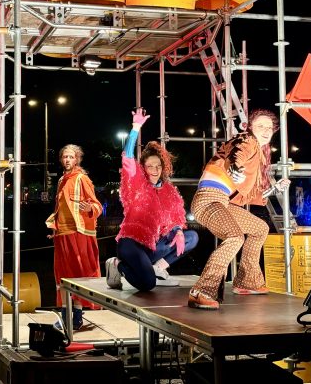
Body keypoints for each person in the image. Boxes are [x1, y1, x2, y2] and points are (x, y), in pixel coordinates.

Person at [187, 109, 289, 310]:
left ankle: (246, 281)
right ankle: (202, 291)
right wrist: (235, 167)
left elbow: (246, 195)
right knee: (235, 237)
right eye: (261, 126)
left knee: (260, 228)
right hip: (208, 199)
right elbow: (237, 152)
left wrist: (273, 189)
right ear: (250, 127)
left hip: (223, 202)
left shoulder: (258, 154)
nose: (266, 131)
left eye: (269, 128)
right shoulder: (246, 140)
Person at [106, 107, 199, 292]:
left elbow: (175, 217)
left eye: (158, 166)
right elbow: (128, 158)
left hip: (155, 245)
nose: (155, 170)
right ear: (143, 168)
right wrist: (135, 128)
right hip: (132, 242)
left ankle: (158, 268)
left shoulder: (169, 191)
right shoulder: (136, 183)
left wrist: (178, 230)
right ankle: (118, 265)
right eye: (150, 166)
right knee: (147, 284)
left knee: (191, 237)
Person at [45, 143, 103, 330]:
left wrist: (90, 209)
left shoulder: (81, 178)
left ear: (77, 159)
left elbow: (97, 205)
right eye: (65, 157)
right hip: (62, 234)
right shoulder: (62, 179)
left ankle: (76, 315)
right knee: (62, 275)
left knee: (78, 274)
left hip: (78, 233)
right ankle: (66, 315)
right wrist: (54, 227)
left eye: (71, 157)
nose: (67, 160)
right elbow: (59, 208)